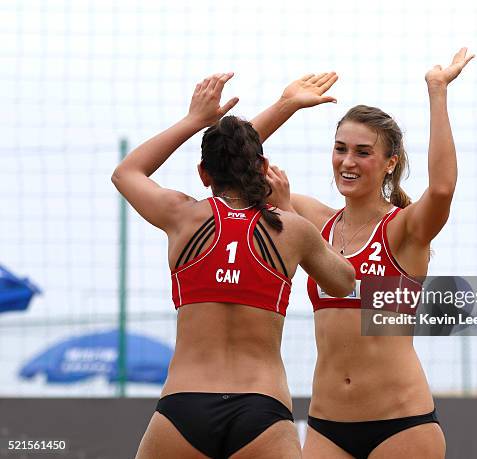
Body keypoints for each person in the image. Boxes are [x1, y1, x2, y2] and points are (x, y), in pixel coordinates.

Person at [111, 72, 355, 459]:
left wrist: (194, 120)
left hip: (184, 405)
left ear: (203, 173)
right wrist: (290, 210)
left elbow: (125, 173)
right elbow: (345, 282)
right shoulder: (291, 229)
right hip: (261, 408)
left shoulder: (182, 216)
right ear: (262, 167)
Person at [252, 48, 475, 458]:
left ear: (390, 163)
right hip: (326, 427)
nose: (347, 161)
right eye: (340, 149)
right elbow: (233, 165)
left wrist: (437, 90)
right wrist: (286, 106)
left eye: (362, 152)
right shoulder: (315, 220)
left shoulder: (403, 229)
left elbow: (441, 189)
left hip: (401, 425)